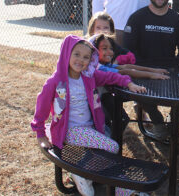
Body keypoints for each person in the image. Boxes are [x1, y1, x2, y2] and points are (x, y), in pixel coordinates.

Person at [31, 35, 146, 196]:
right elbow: (41, 107)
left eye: (86, 57)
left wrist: (129, 83)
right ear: (66, 54)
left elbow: (111, 77)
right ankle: (83, 174)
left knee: (106, 155)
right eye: (76, 54)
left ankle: (118, 187)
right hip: (69, 131)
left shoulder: (88, 77)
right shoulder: (55, 82)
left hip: (89, 129)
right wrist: (40, 134)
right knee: (112, 147)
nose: (81, 60)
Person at [124, 0, 179, 138]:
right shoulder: (137, 18)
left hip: (169, 71)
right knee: (143, 94)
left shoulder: (177, 19)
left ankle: (173, 122)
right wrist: (145, 70)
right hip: (143, 70)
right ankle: (158, 122)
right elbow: (128, 50)